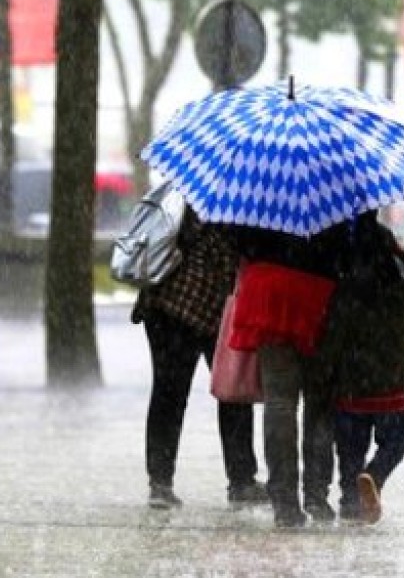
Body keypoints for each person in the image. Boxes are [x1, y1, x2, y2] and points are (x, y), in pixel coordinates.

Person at [132, 207, 267, 510]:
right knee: (227, 394)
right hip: (193, 308)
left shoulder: (193, 193)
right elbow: (231, 260)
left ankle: (162, 482)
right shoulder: (231, 208)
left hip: (167, 304)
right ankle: (239, 480)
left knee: (170, 395)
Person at [224, 222, 351, 527]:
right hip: (319, 292)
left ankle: (284, 501)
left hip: (268, 288)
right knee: (319, 403)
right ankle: (316, 494)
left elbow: (239, 241)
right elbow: (350, 248)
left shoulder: (258, 183)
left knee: (279, 400)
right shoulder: (336, 186)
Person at [319, 212, 404, 524]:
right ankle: (374, 475)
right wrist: (400, 254)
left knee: (349, 452)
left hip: (349, 385)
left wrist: (325, 375)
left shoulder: (344, 292)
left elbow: (330, 338)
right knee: (397, 442)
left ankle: (350, 504)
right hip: (390, 383)